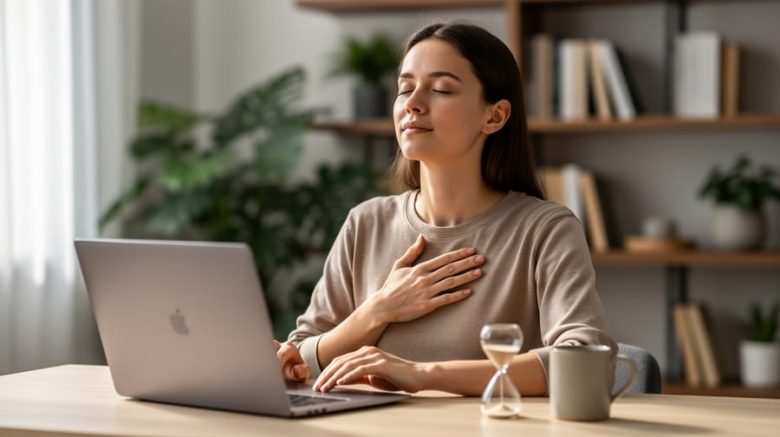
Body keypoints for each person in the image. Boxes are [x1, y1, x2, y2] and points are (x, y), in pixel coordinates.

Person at [276, 22, 615, 396]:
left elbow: (587, 361)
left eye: (440, 89)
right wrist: (379, 310)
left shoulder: (545, 230)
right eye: (405, 88)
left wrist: (424, 374)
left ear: (495, 116)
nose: (413, 103)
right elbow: (299, 357)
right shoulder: (365, 223)